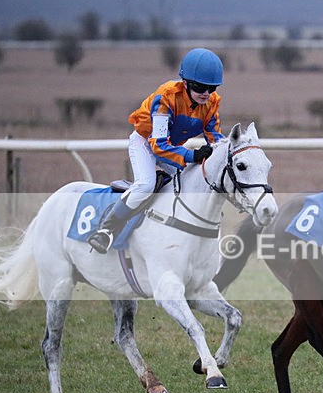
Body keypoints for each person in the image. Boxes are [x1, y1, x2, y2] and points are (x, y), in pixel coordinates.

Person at [87, 47, 225, 254]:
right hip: (145, 143)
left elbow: (217, 140)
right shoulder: (166, 97)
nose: (206, 93)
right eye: (200, 87)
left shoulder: (211, 103)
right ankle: (106, 230)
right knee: (146, 185)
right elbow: (158, 146)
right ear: (185, 83)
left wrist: (226, 153)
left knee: (191, 182)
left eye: (211, 88)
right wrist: (192, 155)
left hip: (172, 146)